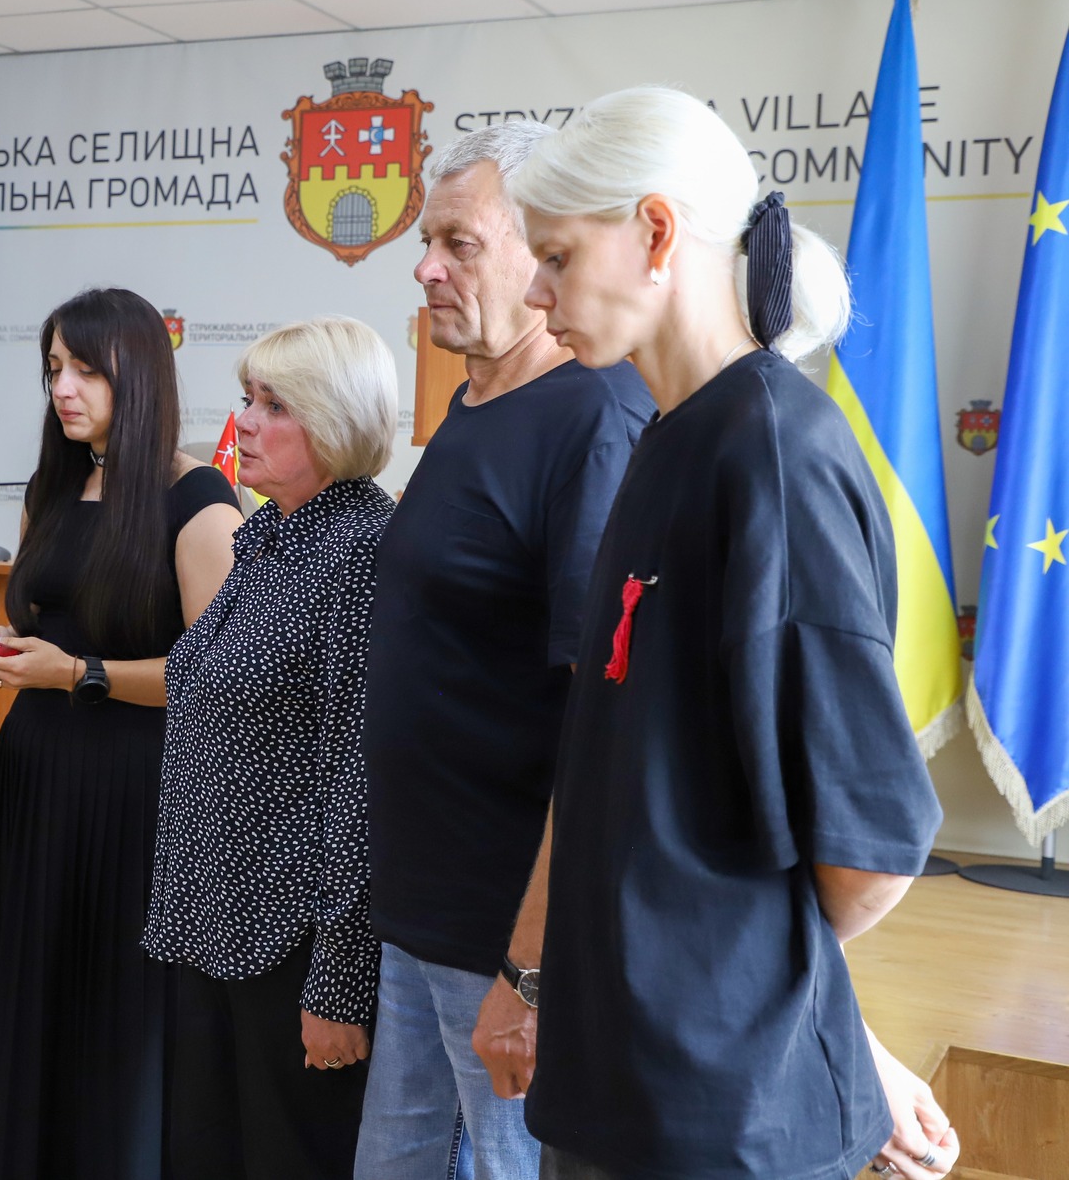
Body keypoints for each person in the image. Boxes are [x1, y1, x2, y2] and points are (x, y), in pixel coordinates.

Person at [497, 86, 958, 1180]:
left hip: (716, 1119)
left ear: (655, 232)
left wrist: (783, 1009)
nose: (535, 289)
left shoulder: (773, 457)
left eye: (556, 256)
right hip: (618, 1086)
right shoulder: (669, 438)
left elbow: (865, 847)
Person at [357, 124, 653, 1180]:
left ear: (540, 250)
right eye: (425, 243)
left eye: (459, 244)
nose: (426, 269)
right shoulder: (471, 403)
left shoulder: (594, 419)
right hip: (421, 910)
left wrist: (527, 971)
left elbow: (599, 720)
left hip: (499, 935)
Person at [0, 288, 242, 1180]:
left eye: (87, 370)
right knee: (20, 1005)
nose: (63, 387)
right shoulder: (51, 490)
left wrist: (76, 672)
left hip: (136, 791)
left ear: (138, 376)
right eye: (54, 368)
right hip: (33, 778)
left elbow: (213, 680)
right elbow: (47, 620)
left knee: (111, 1025)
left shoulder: (200, 501)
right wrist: (10, 649)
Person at [143, 316, 399, 1180]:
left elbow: (360, 782)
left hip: (291, 945)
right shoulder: (269, 535)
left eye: (274, 405)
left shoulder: (362, 549)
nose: (244, 422)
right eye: (247, 398)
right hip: (212, 922)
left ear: (334, 419)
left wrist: (339, 981)